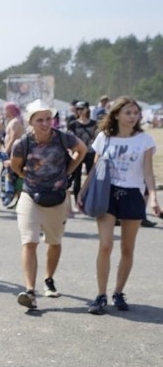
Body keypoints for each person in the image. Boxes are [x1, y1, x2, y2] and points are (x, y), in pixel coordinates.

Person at [79, 97, 159, 315]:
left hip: (132, 194)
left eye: (136, 113)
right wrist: (83, 191)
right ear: (116, 115)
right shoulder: (104, 138)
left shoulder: (144, 140)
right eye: (128, 113)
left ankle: (118, 292)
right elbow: (94, 168)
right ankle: (101, 295)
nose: (133, 117)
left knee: (127, 247)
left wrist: (153, 197)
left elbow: (148, 172)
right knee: (105, 245)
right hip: (107, 193)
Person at [10, 101, 86, 310]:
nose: (45, 123)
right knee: (30, 241)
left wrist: (68, 171)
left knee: (54, 241)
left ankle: (49, 279)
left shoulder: (63, 137)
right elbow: (15, 165)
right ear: (31, 122)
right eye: (39, 119)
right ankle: (30, 290)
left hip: (57, 197)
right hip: (30, 195)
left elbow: (82, 149)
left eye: (48, 118)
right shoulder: (23, 143)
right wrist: (28, 177)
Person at [66, 101, 97, 210]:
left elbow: (97, 137)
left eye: (82, 109)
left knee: (91, 176)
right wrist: (71, 151)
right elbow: (69, 138)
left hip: (91, 152)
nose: (79, 111)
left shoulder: (94, 124)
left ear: (87, 109)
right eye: (78, 109)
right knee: (76, 178)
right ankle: (77, 203)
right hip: (78, 152)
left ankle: (89, 199)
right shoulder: (73, 124)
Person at [0, 102, 25, 208]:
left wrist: (6, 151)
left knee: (15, 176)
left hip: (14, 152)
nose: (4, 112)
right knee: (10, 175)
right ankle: (15, 197)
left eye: (6, 109)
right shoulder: (11, 121)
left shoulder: (15, 122)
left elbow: (13, 137)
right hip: (12, 151)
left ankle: (17, 198)